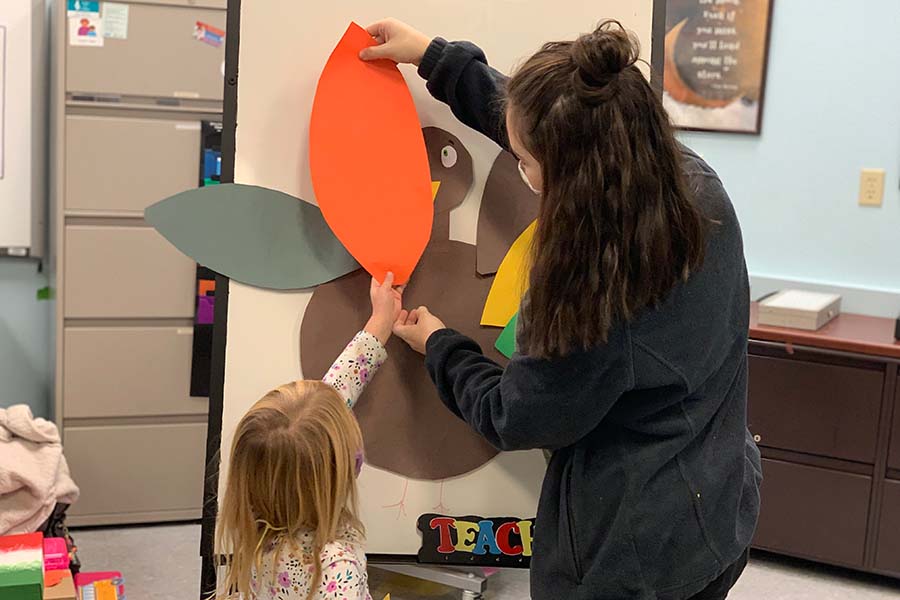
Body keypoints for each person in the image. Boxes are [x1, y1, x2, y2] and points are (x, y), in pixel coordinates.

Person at [363, 18, 762, 600]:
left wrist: (443, 347)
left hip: (633, 561)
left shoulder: (595, 296)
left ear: (576, 181)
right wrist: (435, 58)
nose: (519, 169)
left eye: (525, 162)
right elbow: (557, 120)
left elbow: (515, 416)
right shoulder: (689, 183)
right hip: (718, 506)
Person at [215, 274, 403, 600]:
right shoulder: (336, 566)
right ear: (346, 467)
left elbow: (327, 405)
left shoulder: (258, 532)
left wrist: (379, 323)